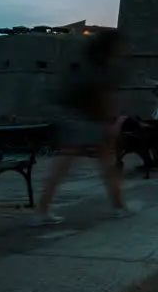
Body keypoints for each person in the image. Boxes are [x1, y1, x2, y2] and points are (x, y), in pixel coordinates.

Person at [36, 29, 132, 225]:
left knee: (73, 165)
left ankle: (42, 210)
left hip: (73, 116)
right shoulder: (102, 68)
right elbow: (102, 97)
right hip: (85, 119)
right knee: (104, 165)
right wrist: (111, 124)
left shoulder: (86, 63)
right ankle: (119, 207)